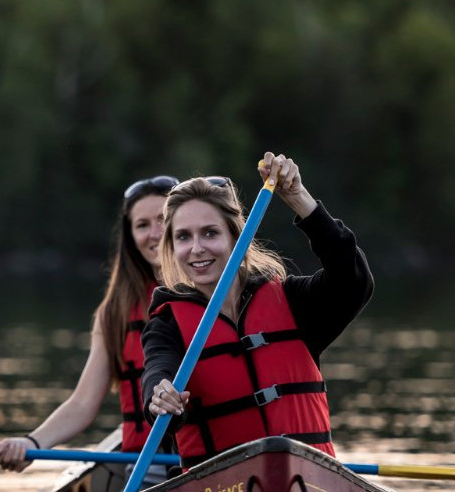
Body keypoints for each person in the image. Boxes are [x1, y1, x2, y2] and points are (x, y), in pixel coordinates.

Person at [141, 152, 373, 468]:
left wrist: (298, 198)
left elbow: (353, 279)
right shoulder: (167, 323)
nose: (197, 248)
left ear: (237, 237)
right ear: (171, 248)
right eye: (184, 237)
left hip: (310, 483)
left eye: (210, 233)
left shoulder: (293, 301)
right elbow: (158, 368)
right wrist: (160, 398)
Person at [0, 175, 180, 473]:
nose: (154, 233)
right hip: (149, 462)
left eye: (162, 219)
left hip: (213, 455)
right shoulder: (114, 312)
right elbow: (82, 404)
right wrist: (31, 442)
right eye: (142, 225)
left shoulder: (216, 293)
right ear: (130, 237)